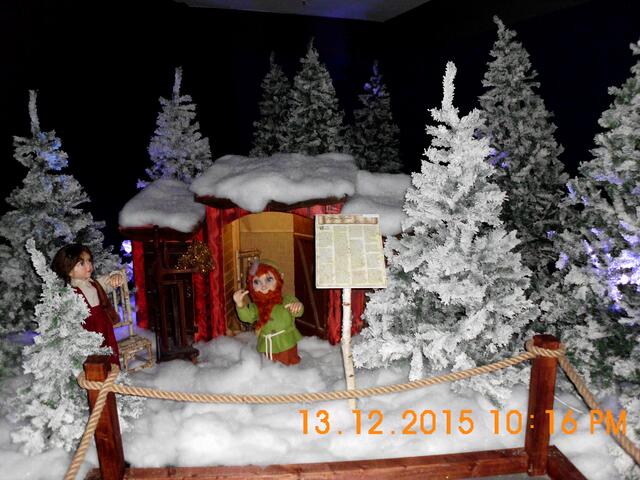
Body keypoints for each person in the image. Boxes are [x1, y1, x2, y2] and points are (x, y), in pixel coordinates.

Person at [51, 244, 124, 366]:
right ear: (68, 270)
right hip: (88, 333)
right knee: (95, 360)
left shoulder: (95, 284)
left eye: (89, 261)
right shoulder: (70, 294)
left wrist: (115, 276)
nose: (88, 266)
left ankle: (114, 372)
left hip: (105, 327)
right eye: (81, 263)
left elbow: (109, 280)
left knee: (111, 352)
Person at [233, 260, 303, 365]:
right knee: (269, 368)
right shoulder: (256, 306)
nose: (263, 286)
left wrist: (297, 307)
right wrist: (240, 304)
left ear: (279, 278)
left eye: (269, 279)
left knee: (290, 366)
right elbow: (247, 317)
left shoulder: (287, 300)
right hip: (267, 346)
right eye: (257, 282)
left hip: (287, 343)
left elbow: (299, 312)